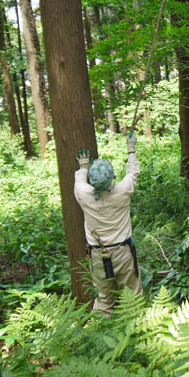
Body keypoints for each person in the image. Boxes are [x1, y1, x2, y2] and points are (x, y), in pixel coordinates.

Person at [74, 132, 142, 316]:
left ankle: (100, 337)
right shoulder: (123, 191)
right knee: (132, 296)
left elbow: (80, 180)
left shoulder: (83, 194)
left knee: (104, 299)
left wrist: (83, 166)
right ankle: (136, 332)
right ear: (112, 177)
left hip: (97, 254)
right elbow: (133, 172)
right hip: (123, 252)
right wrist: (131, 149)